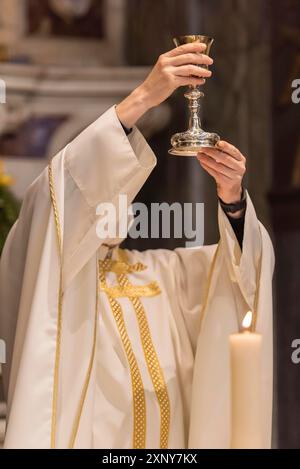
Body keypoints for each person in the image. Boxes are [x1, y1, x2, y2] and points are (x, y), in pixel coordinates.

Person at [0, 42, 274, 449]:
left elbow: (238, 277)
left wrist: (232, 197)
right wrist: (144, 97)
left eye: (120, 184)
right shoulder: (51, 277)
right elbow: (51, 200)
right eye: (99, 182)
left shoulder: (165, 272)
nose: (112, 197)